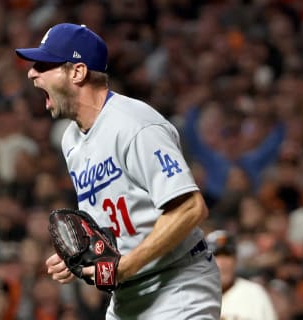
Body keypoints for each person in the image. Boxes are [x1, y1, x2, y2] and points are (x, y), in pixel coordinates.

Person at [15, 23, 221, 319]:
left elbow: (190, 208)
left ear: (77, 72)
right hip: (127, 294)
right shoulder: (71, 140)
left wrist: (126, 266)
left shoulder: (135, 125)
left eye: (44, 65)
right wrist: (83, 257)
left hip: (178, 283)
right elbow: (113, 221)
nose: (32, 73)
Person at [206, 230, 278, 320]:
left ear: (236, 260)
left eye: (227, 255)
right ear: (206, 262)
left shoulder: (255, 294)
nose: (223, 262)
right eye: (217, 255)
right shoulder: (194, 294)